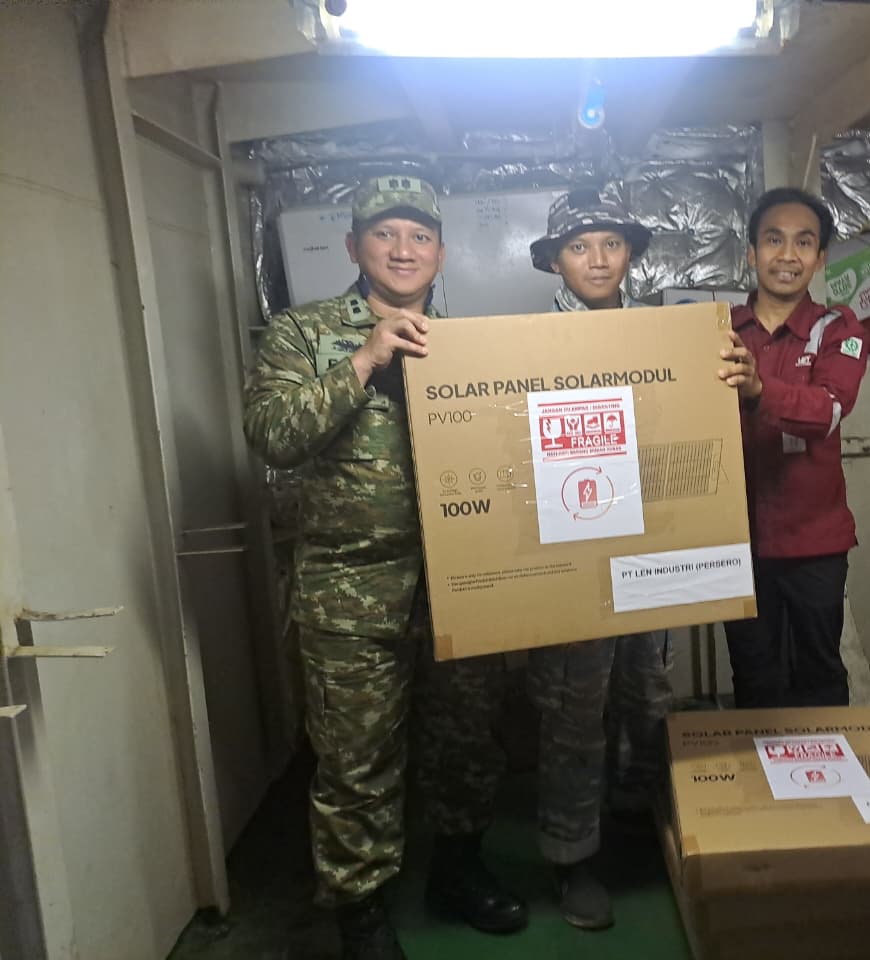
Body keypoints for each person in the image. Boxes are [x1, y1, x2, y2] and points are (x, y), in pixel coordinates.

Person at [243, 175, 527, 960]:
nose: (404, 250)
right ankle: (361, 912)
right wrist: (365, 359)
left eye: (420, 236)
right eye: (384, 233)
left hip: (460, 585)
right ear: (353, 246)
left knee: (466, 742)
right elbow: (272, 434)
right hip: (350, 593)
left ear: (441, 253)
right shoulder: (303, 333)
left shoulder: (466, 345)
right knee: (355, 760)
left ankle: (458, 871)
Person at [524, 188, 673, 931]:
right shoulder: (524, 347)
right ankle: (572, 855)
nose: (598, 259)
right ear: (556, 261)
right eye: (579, 246)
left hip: (650, 547)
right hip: (570, 550)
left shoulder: (662, 336)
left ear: (630, 254)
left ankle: (641, 829)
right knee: (574, 708)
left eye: (611, 243)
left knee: (648, 694)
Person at [716, 187, 870, 710]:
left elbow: (828, 409)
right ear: (751, 252)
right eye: (773, 240)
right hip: (737, 541)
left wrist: (759, 390)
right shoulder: (719, 331)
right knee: (753, 676)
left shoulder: (838, 330)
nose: (787, 255)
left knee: (819, 674)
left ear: (820, 258)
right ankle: (763, 766)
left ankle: (825, 764)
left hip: (813, 543)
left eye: (803, 243)